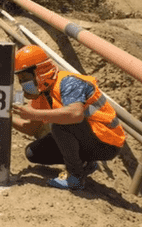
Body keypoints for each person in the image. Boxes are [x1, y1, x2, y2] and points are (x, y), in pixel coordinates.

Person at [11, 45, 126, 190]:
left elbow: (75, 114)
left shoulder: (68, 83)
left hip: (107, 141)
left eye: (25, 78)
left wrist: (33, 113)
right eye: (20, 79)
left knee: (60, 124)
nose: (23, 84)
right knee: (33, 153)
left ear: (39, 71)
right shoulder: (42, 94)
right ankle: (85, 163)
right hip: (89, 136)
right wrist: (6, 118)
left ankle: (75, 177)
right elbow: (31, 127)